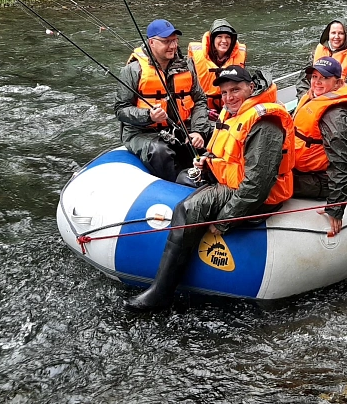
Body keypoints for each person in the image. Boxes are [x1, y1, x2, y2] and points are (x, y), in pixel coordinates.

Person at [124, 65, 295, 311]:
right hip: (233, 182)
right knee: (185, 177)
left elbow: (257, 185)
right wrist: (208, 163)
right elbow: (231, 156)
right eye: (224, 92)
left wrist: (225, 220)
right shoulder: (235, 113)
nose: (229, 97)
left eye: (235, 90)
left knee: (187, 209)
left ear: (251, 88)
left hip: (257, 194)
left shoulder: (264, 123)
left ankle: (160, 293)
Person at [114, 19, 211, 182]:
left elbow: (200, 99)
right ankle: (178, 187)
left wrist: (198, 130)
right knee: (160, 150)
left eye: (175, 41)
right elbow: (120, 109)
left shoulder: (186, 65)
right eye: (166, 41)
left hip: (182, 126)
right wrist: (148, 116)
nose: (173, 46)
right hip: (143, 132)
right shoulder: (132, 70)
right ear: (151, 42)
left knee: (220, 134)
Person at [292, 57, 347, 236]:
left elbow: (343, 164)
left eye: (324, 78)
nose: (317, 82)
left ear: (338, 83)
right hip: (301, 168)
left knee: (271, 183)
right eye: (314, 77)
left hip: (322, 180)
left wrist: (335, 208)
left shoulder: (335, 115)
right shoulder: (313, 97)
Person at [296, 18, 347, 100]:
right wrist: (304, 98)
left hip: (338, 102)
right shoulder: (319, 51)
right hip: (313, 99)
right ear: (328, 34)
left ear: (346, 36)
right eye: (333, 33)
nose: (336, 37)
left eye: (341, 33)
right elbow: (303, 79)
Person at [188, 18, 247, 115]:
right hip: (202, 107)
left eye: (227, 37)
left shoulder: (240, 55)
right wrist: (203, 110)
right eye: (219, 36)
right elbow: (191, 88)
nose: (224, 41)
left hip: (231, 105)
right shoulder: (196, 56)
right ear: (212, 39)